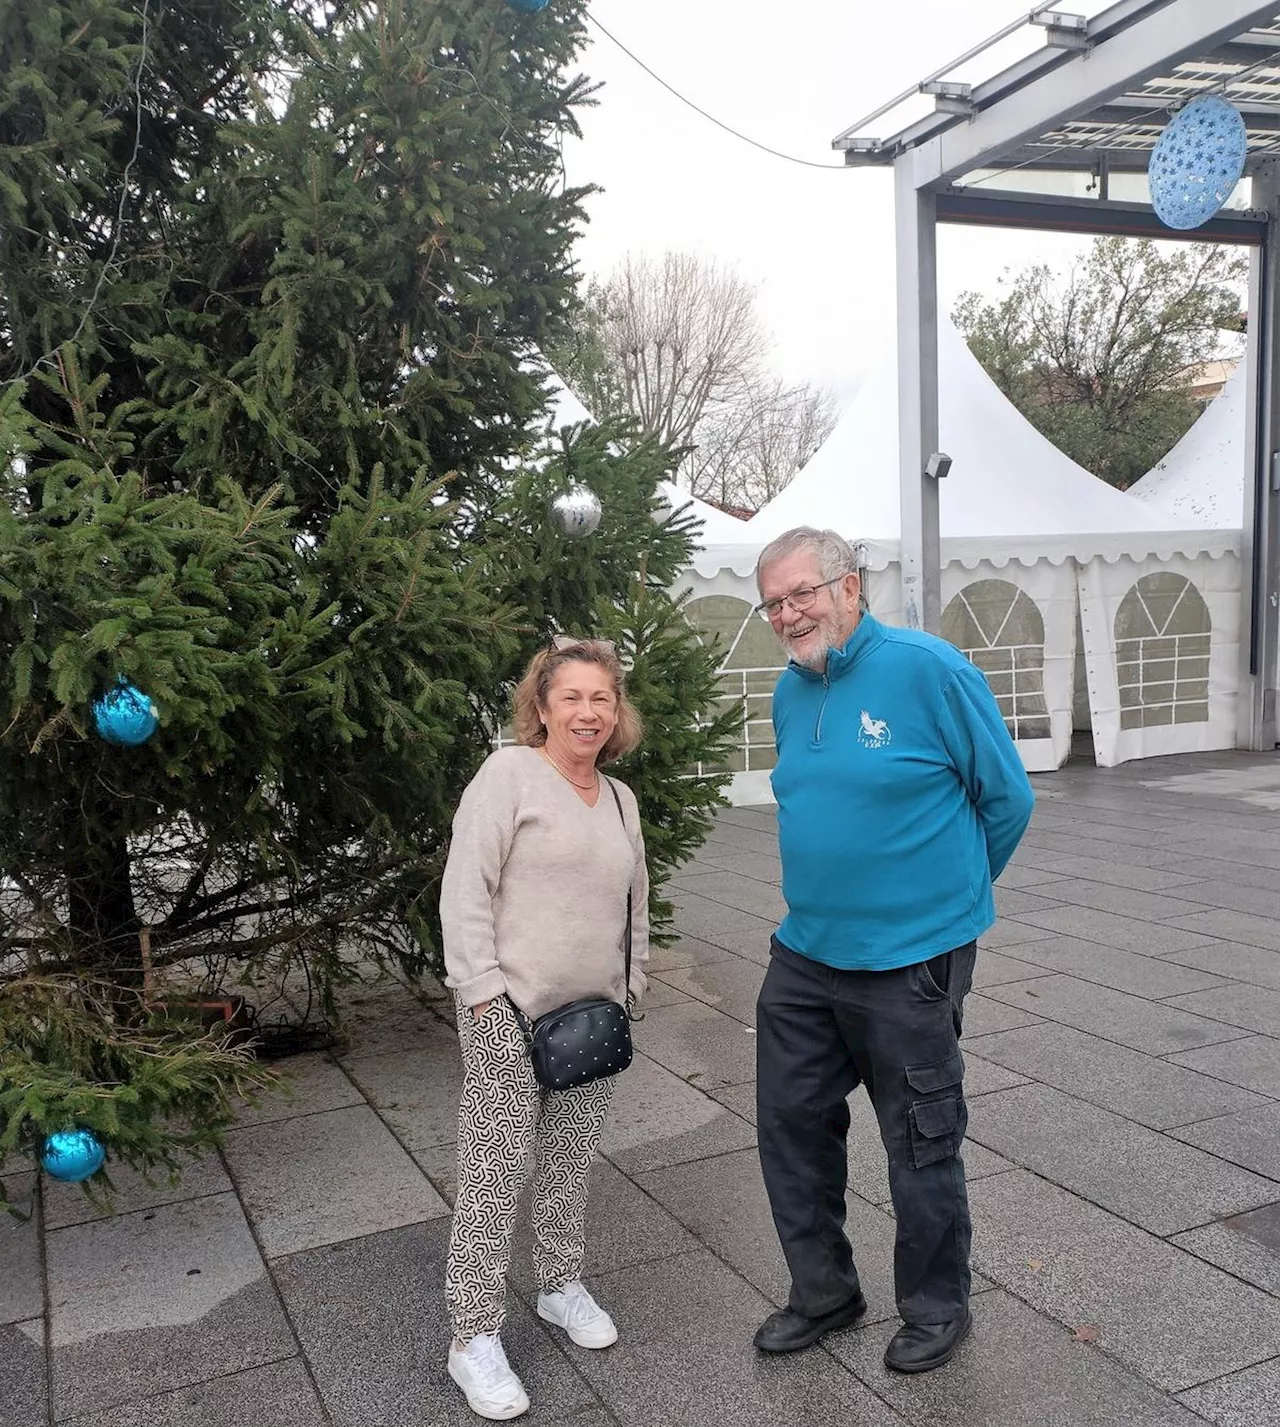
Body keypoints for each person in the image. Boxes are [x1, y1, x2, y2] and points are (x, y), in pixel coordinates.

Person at [750, 527, 1034, 1375]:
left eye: (803, 591)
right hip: (805, 954)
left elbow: (1007, 799)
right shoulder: (788, 693)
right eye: (773, 601)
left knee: (920, 1139)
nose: (789, 612)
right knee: (789, 1125)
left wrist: (948, 912)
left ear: (851, 586)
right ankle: (825, 1291)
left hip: (909, 961)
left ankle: (937, 1305)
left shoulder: (928, 669)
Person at [439, 636, 649, 1421]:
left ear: (615, 709)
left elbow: (634, 901)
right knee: (495, 1173)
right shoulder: (509, 776)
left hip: (593, 1019)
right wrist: (482, 995)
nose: (588, 712)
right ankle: (473, 1335)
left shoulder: (622, 797)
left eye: (602, 698)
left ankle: (561, 1285)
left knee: (569, 1159)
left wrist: (634, 987)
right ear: (541, 706)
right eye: (572, 697)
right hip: (510, 1014)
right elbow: (465, 887)